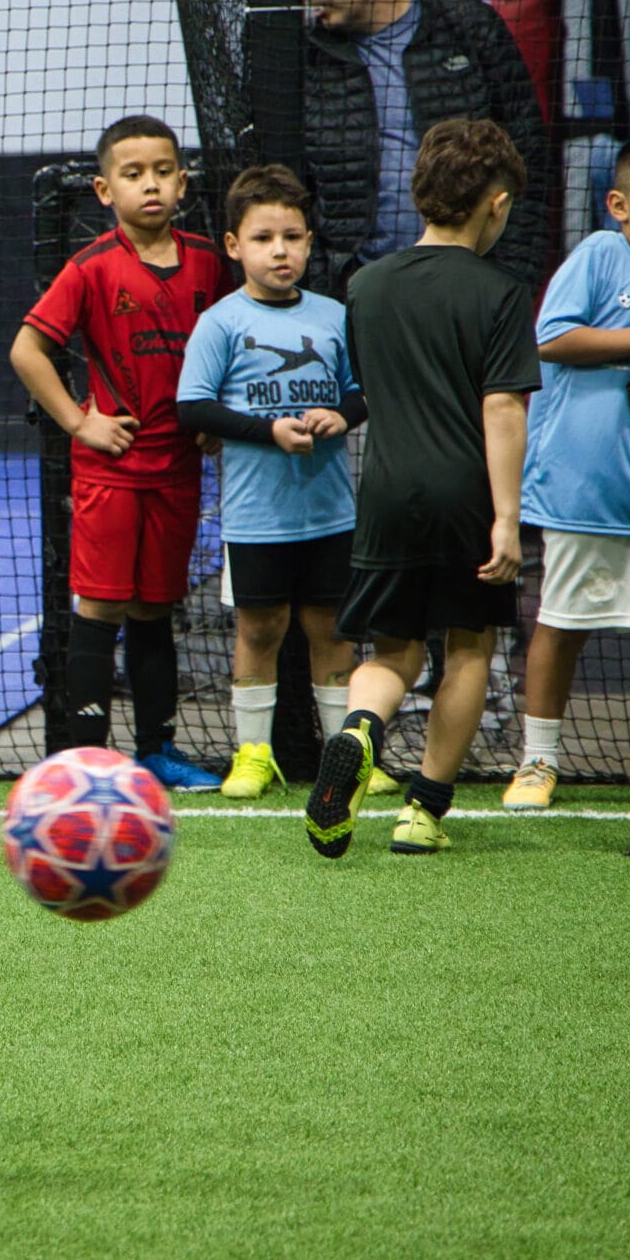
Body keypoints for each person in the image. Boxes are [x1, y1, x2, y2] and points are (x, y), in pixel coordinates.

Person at [305, 118, 540, 859]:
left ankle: (358, 730)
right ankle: (423, 810)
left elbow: (373, 391)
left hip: (383, 495)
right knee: (467, 648)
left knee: (391, 649)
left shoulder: (365, 286)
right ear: (495, 205)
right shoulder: (500, 293)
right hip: (465, 496)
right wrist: (506, 518)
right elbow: (501, 406)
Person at [8, 114, 226, 792]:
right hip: (110, 470)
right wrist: (80, 423)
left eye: (161, 171)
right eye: (132, 175)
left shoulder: (208, 264)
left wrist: (216, 417)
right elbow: (26, 350)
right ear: (105, 191)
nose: (149, 185)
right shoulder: (91, 268)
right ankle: (85, 758)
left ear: (182, 182)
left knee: (156, 608)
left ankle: (156, 750)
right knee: (100, 606)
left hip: (179, 467)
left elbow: (232, 342)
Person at [177, 164, 398, 803]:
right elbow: (193, 407)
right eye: (265, 237)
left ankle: (346, 759)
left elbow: (362, 391)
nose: (281, 250)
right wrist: (268, 430)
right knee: (260, 629)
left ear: (308, 242)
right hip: (256, 516)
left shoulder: (334, 315)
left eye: (293, 237)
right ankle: (252, 755)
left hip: (329, 511)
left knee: (332, 631)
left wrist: (342, 414)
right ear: (233, 245)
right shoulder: (221, 322)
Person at [301, 0, 550, 295]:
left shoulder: (470, 29)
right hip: (356, 299)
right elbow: (293, 191)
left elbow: (529, 160)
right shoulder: (305, 60)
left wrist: (509, 283)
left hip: (469, 288)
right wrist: (323, 298)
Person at [503, 138, 630, 807]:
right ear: (618, 204)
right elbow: (550, 338)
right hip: (584, 491)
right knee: (561, 622)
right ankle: (537, 760)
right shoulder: (598, 256)